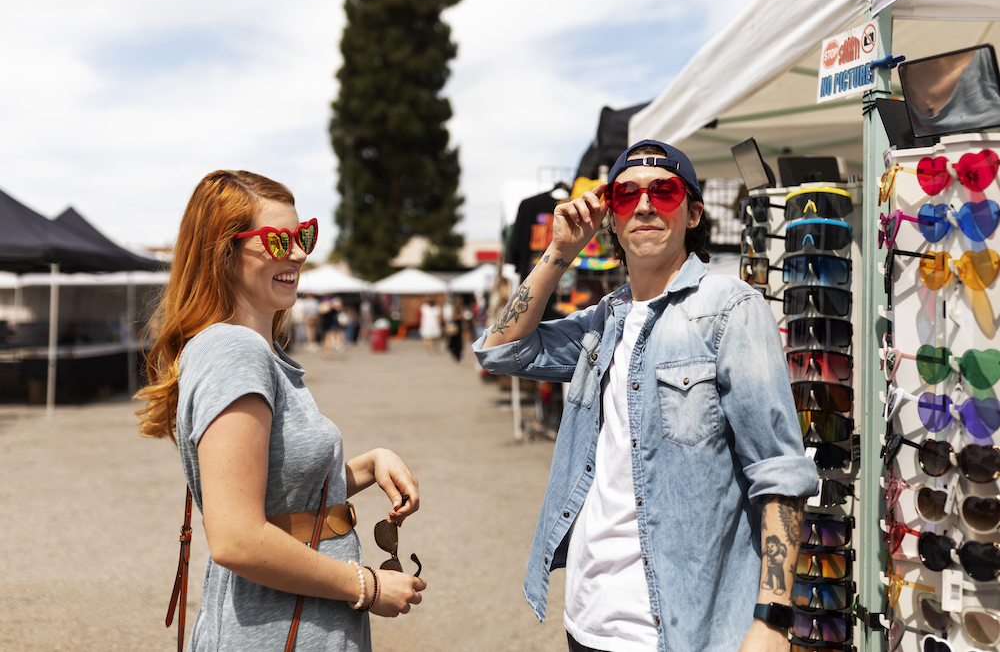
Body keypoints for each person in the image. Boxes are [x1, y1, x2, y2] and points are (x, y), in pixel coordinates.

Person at [474, 140, 818, 652]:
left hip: (683, 628)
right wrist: (559, 252)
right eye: (625, 194)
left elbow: (779, 471)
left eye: (665, 189)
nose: (645, 204)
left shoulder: (729, 309)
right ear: (610, 215)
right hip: (589, 618)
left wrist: (770, 620)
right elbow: (500, 353)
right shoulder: (605, 319)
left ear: (693, 211)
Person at [135, 170, 426, 651]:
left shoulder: (250, 350)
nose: (297, 253)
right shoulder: (233, 351)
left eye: (302, 235)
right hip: (277, 630)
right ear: (223, 253)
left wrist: (369, 464)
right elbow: (235, 537)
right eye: (276, 240)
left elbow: (279, 492)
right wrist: (367, 586)